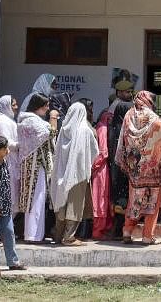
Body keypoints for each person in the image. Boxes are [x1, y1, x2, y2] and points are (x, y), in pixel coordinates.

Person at [115, 90, 161, 246]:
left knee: (134, 201)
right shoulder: (155, 118)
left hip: (135, 170)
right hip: (153, 170)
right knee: (153, 203)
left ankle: (127, 231)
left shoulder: (128, 116)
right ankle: (147, 236)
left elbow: (124, 141)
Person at [50, 102, 99, 246]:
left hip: (61, 173)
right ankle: (69, 237)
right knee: (74, 205)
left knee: (61, 203)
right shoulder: (84, 129)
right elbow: (94, 150)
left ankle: (58, 235)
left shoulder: (64, 128)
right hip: (78, 173)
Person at [0, 135, 26, 278]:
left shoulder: (5, 163)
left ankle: (12, 261)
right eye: (4, 148)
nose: (7, 150)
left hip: (5, 206)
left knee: (9, 233)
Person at [17, 93, 55, 243]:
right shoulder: (33, 121)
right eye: (45, 106)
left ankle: (33, 234)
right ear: (38, 106)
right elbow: (50, 133)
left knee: (33, 201)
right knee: (36, 200)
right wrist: (53, 119)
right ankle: (33, 235)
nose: (47, 108)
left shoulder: (26, 120)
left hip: (30, 164)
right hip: (35, 166)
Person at [105, 80, 135, 240]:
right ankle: (120, 230)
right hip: (121, 162)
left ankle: (119, 229)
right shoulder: (121, 109)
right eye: (127, 92)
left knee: (119, 195)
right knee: (122, 196)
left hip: (116, 161)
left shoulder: (115, 113)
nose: (129, 95)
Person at [0, 96, 20, 216]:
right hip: (6, 162)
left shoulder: (9, 120)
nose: (16, 108)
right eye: (13, 105)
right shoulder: (2, 122)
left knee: (12, 195)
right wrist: (22, 144)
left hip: (12, 161)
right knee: (8, 194)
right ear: (6, 106)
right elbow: (5, 142)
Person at [91, 94, 113, 240]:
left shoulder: (99, 126)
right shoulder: (103, 128)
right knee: (100, 199)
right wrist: (94, 166)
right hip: (101, 169)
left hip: (100, 167)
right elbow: (103, 152)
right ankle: (98, 231)